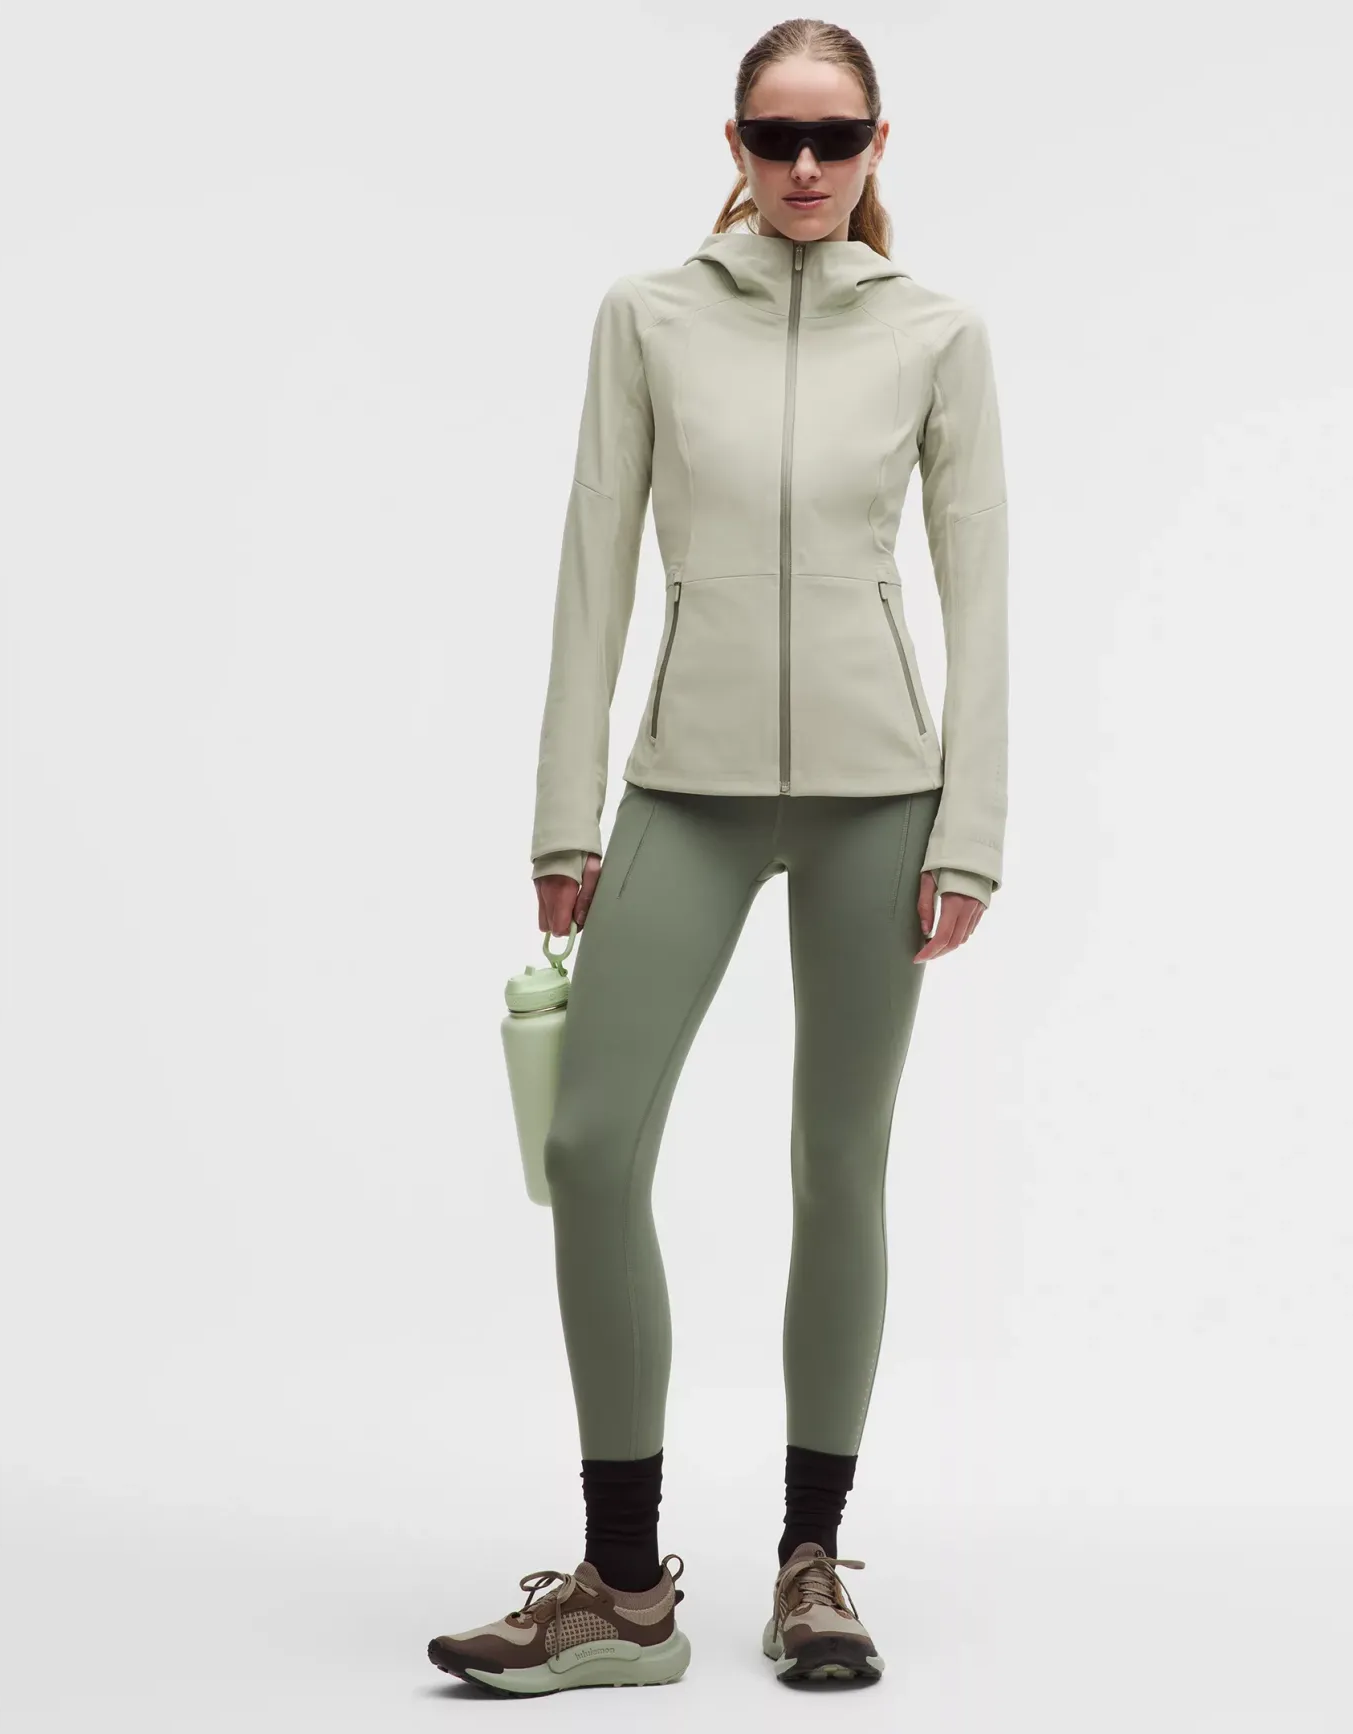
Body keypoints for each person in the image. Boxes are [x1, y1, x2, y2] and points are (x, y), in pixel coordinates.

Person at [428, 16, 1007, 1696]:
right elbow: (591, 563)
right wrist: (567, 812)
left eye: (835, 138)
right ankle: (623, 1589)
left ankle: (813, 1565)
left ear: (879, 145)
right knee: (592, 1142)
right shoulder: (651, 315)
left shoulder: (940, 332)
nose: (805, 167)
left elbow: (980, 585)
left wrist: (971, 825)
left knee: (840, 1163)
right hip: (682, 785)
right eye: (775, 136)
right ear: (736, 144)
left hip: (881, 795)